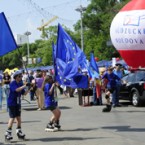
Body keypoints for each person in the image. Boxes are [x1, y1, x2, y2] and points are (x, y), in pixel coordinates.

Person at [5, 70, 32, 141]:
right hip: (12, 102)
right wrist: (25, 85)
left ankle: (19, 132)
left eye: (21, 76)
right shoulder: (12, 83)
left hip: (17, 103)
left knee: (19, 118)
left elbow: (24, 93)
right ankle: (8, 133)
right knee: (12, 117)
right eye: (20, 76)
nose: (21, 77)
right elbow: (17, 90)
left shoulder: (20, 83)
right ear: (16, 77)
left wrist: (29, 88)